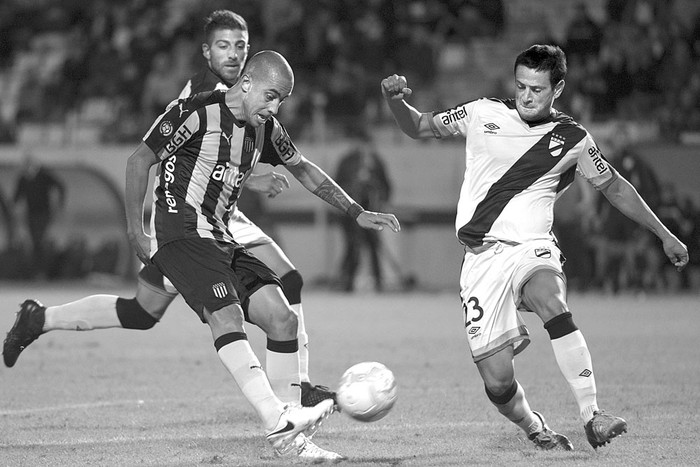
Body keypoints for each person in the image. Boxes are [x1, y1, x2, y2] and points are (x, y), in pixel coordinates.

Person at [3, 10, 324, 409]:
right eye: (223, 46)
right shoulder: (203, 94)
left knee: (142, 311)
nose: (234, 54)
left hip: (217, 211)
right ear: (207, 52)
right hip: (191, 215)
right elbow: (162, 155)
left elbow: (228, 155)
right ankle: (297, 390)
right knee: (286, 279)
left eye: (241, 45)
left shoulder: (255, 96)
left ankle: (39, 319)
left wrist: (247, 179)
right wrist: (151, 222)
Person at [381, 44, 688, 450]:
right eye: (521, 86)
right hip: (481, 259)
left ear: (557, 89)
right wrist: (395, 102)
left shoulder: (573, 138)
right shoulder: (482, 112)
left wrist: (664, 233)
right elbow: (419, 126)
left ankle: (592, 415)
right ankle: (534, 426)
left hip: (532, 246)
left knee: (551, 300)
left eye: (538, 90)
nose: (527, 96)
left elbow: (614, 186)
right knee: (498, 380)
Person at [335, 130, 392, 291]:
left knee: (374, 246)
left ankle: (378, 282)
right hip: (349, 214)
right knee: (352, 246)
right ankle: (347, 281)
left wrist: (381, 203)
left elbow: (386, 186)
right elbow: (336, 186)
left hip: (372, 211)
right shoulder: (346, 162)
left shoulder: (376, 162)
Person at [13, 151, 66, 278]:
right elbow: (17, 195)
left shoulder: (44, 175)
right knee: (34, 242)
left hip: (44, 213)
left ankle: (43, 271)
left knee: (40, 240)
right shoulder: (23, 178)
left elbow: (60, 186)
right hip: (31, 213)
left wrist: (60, 204)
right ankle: (36, 272)